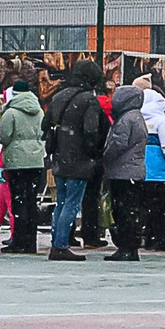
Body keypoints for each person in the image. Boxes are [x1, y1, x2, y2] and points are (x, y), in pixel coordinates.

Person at [45, 61, 107, 263]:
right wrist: (93, 152)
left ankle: (57, 241)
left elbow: (45, 124)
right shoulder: (89, 100)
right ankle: (60, 246)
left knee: (61, 202)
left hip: (60, 156)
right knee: (72, 202)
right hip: (79, 158)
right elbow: (91, 131)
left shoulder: (58, 96)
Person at [98, 83, 151, 263]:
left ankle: (126, 246)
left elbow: (118, 143)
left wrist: (104, 157)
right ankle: (130, 247)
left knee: (123, 210)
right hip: (133, 171)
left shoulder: (126, 119)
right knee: (130, 210)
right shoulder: (137, 117)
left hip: (122, 171)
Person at [0, 79, 47, 252]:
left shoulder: (10, 112)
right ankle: (31, 243)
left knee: (18, 202)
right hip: (36, 160)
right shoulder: (39, 111)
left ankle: (18, 242)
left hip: (17, 162)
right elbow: (42, 132)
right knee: (31, 202)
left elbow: (3, 136)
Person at [139, 85, 165, 251]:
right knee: (160, 207)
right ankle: (159, 239)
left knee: (145, 206)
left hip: (142, 170)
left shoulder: (139, 119)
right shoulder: (162, 122)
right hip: (159, 172)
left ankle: (147, 237)